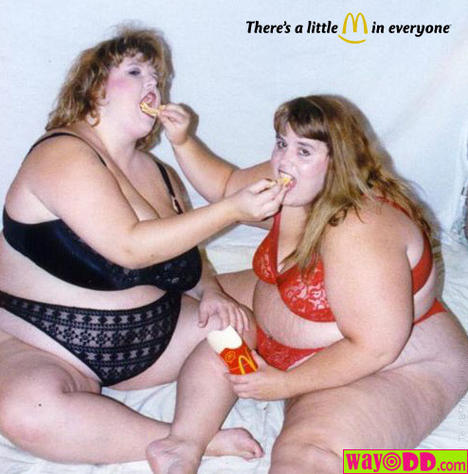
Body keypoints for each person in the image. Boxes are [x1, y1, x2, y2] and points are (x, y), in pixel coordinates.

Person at [0, 27, 288, 466]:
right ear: (93, 86)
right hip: (46, 342)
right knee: (26, 415)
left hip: (157, 337)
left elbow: (189, 259)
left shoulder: (163, 175)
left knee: (237, 327)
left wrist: (211, 292)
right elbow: (130, 247)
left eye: (158, 78)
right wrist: (231, 209)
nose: (152, 84)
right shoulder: (61, 153)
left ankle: (188, 439)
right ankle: (193, 440)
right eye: (135, 72)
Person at [145, 95, 468, 473]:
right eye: (282, 143)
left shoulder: (361, 231)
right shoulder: (294, 178)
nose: (284, 160)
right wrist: (183, 141)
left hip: (384, 361)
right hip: (290, 334)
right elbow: (228, 185)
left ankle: (449, 466)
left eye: (303, 151)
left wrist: (285, 385)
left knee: (306, 458)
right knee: (173, 297)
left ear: (338, 162)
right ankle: (184, 440)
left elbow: (376, 348)